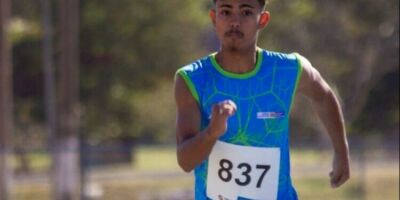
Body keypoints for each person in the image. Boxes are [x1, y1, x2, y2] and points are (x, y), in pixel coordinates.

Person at [174, 0, 350, 199]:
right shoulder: (192, 79)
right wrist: (211, 133)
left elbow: (324, 96)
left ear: (263, 19)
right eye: (225, 11)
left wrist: (341, 152)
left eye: (246, 12)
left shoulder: (289, 69)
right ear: (214, 18)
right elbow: (186, 162)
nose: (234, 21)